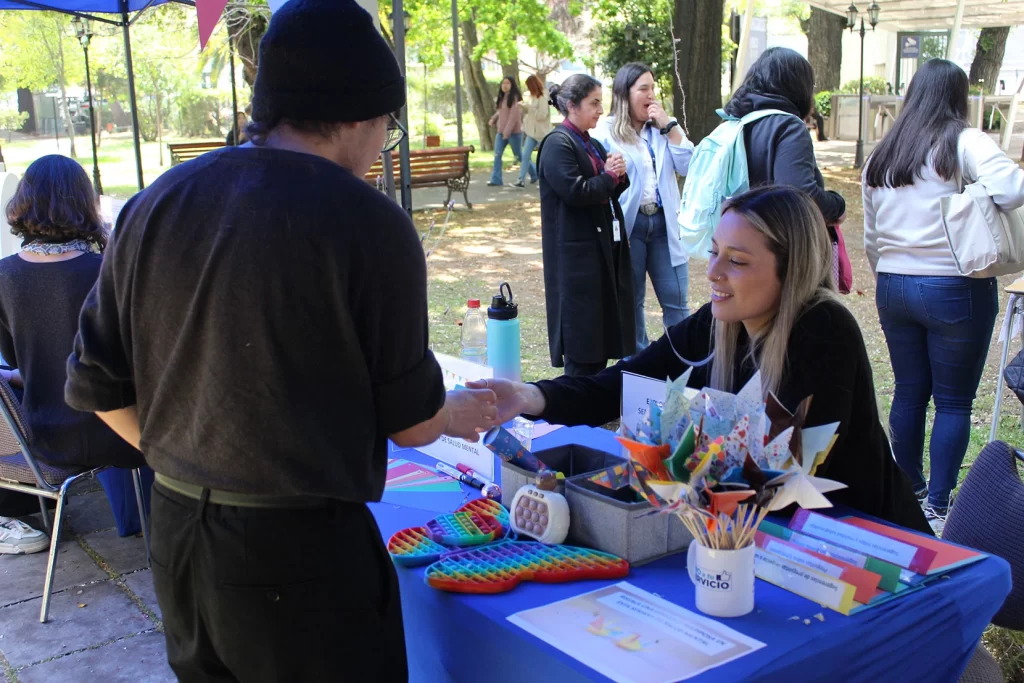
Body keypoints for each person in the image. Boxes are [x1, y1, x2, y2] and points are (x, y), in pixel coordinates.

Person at [64, 1, 498, 680]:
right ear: (356, 115)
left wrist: (192, 454)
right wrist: (456, 412)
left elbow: (96, 384)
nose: (384, 144)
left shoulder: (156, 201)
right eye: (387, 125)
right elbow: (413, 426)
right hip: (299, 556)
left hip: (176, 531)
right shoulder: (369, 222)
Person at [470, 185, 931, 534]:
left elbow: (784, 479)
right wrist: (528, 396)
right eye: (714, 253)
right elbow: (622, 383)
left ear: (790, 269)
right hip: (762, 540)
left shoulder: (825, 331)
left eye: (737, 261)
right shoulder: (718, 322)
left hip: (867, 546)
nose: (713, 272)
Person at [863, 59, 1024, 533]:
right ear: (958, 96)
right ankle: (937, 504)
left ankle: (908, 491)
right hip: (955, 286)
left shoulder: (884, 152)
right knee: (953, 402)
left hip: (893, 285)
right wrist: (975, 194)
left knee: (908, 391)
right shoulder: (963, 141)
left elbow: (872, 235)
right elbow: (1012, 189)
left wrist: (888, 275)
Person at [0, 155, 151, 552]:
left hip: (43, 440)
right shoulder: (108, 269)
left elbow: (21, 362)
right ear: (86, 203)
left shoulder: (3, 275)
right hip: (122, 431)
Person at [592, 63, 695, 351]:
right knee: (632, 301)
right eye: (643, 89)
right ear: (625, 94)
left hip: (664, 224)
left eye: (653, 88)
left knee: (676, 299)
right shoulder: (606, 132)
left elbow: (689, 166)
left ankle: (682, 361)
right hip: (630, 226)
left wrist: (669, 127)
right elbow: (600, 179)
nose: (651, 95)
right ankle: (638, 363)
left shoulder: (664, 127)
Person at [536, 74, 634, 377]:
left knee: (599, 335)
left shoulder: (591, 143)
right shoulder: (557, 144)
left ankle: (593, 393)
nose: (600, 110)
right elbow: (575, 192)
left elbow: (607, 188)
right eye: (594, 103)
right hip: (575, 258)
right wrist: (609, 176)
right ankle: (577, 395)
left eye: (600, 103)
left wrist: (618, 174)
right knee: (582, 340)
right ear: (572, 105)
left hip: (598, 251)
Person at [723, 48, 845, 225]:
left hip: (728, 233)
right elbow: (799, 194)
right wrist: (837, 205)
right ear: (798, 87)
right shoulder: (788, 127)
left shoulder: (732, 123)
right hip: (772, 237)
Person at [488, 76, 524, 187]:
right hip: (501, 132)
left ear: (512, 85)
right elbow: (501, 112)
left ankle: (534, 174)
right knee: (497, 155)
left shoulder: (515, 99)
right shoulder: (502, 97)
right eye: (503, 83)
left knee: (519, 156)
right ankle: (496, 179)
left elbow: (513, 117)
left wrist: (507, 132)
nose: (505, 85)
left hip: (514, 133)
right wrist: (493, 119)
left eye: (507, 83)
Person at [516, 74, 551, 188]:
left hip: (542, 133)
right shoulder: (531, 97)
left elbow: (542, 116)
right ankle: (521, 179)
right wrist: (524, 108)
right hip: (531, 132)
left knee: (543, 159)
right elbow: (530, 113)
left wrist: (530, 109)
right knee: (525, 155)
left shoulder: (543, 97)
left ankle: (545, 180)